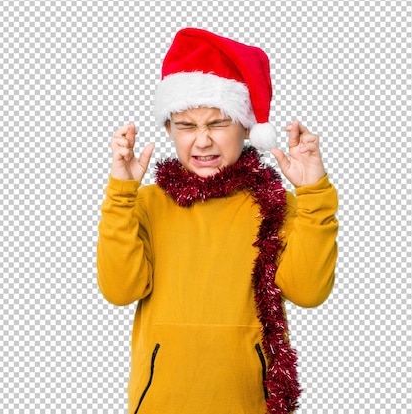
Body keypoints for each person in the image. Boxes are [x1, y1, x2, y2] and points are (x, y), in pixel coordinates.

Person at [97, 28, 338, 414]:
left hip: (247, 403)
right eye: (187, 126)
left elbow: (309, 292)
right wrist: (121, 195)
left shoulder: (275, 204)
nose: (203, 141)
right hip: (162, 403)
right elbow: (120, 290)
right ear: (168, 130)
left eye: (218, 124)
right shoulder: (145, 204)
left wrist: (313, 197)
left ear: (246, 127)